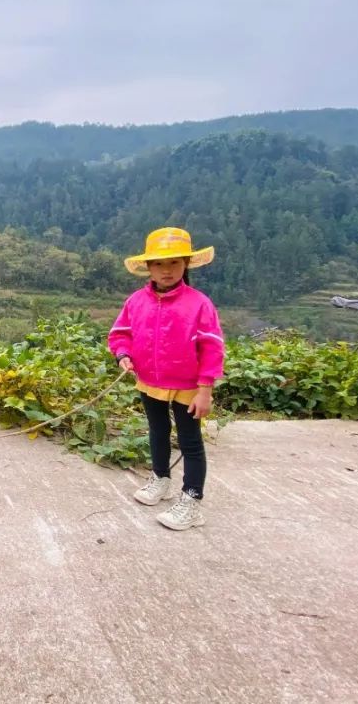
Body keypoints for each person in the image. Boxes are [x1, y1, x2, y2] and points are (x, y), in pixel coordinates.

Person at [108, 227, 224, 531]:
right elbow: (121, 334)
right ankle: (160, 479)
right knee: (157, 431)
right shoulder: (136, 301)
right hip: (149, 380)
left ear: (186, 264)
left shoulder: (199, 304)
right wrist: (123, 355)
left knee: (190, 442)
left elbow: (212, 347)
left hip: (189, 386)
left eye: (174, 263)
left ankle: (192, 500)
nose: (167, 270)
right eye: (159, 263)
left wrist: (205, 390)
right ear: (148, 268)